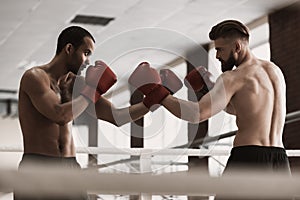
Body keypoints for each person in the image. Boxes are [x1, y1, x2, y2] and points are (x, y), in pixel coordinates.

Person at [16, 26, 182, 200]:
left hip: (70, 166)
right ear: (69, 49)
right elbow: (60, 115)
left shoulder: (77, 85)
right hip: (38, 166)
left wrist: (156, 98)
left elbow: (117, 116)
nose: (88, 62)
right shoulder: (34, 77)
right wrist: (92, 90)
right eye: (86, 53)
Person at [129, 20, 291, 175]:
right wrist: (211, 88)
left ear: (237, 46)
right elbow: (242, 110)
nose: (217, 56)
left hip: (249, 159)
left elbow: (196, 114)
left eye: (220, 49)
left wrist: (158, 92)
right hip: (280, 161)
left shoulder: (233, 77)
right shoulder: (274, 71)